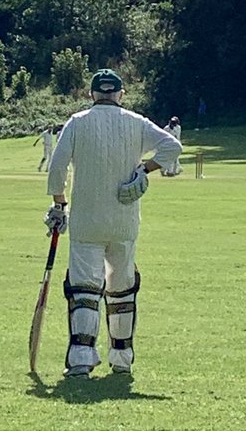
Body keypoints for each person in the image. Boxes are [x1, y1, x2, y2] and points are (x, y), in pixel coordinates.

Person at [45, 68, 180, 378]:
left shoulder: (78, 122)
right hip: (124, 219)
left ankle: (81, 357)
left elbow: (57, 167)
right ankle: (121, 358)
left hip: (87, 220)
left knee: (84, 288)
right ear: (121, 94)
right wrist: (144, 170)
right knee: (121, 288)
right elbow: (173, 147)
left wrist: (58, 203)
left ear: (92, 94)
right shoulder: (136, 122)